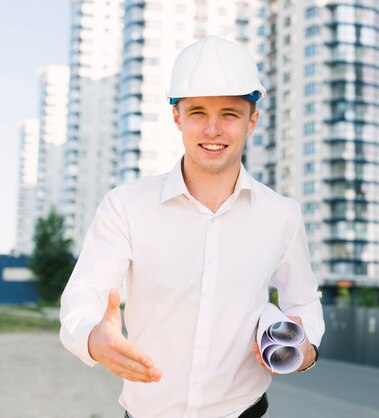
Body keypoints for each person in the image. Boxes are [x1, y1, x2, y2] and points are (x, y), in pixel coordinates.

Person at [59, 36, 325, 418]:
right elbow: (82, 295)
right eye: (198, 112)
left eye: (230, 114)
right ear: (177, 118)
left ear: (252, 121)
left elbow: (303, 301)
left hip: (244, 410)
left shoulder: (282, 215)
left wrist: (306, 350)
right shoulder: (127, 206)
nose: (212, 129)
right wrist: (92, 337)